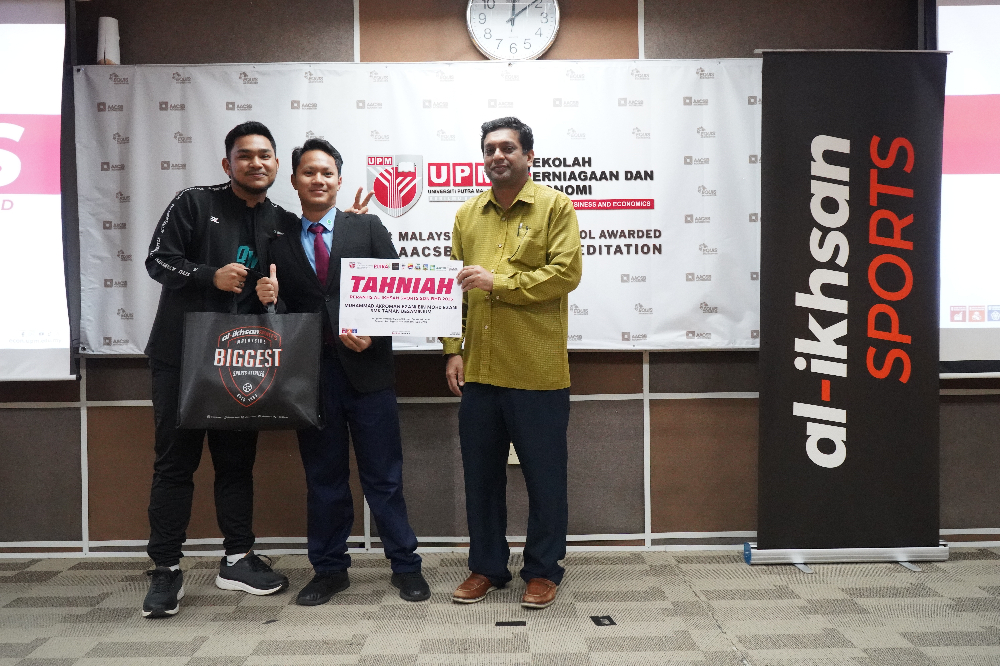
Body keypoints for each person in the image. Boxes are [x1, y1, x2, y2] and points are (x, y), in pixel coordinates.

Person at [264, 138, 429, 605]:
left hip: (368, 374)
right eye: (308, 172)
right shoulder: (276, 238)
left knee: (384, 478)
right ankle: (329, 570)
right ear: (294, 180)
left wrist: (373, 332)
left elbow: (399, 292)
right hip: (311, 379)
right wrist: (269, 300)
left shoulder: (367, 227)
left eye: (327, 172)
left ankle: (406, 566)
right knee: (324, 480)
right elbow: (283, 311)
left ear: (339, 181)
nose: (318, 179)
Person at [141, 121, 290, 618]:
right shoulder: (193, 202)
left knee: (236, 464)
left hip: (239, 361)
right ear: (228, 164)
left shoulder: (281, 221)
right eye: (245, 155)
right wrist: (210, 275)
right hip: (180, 358)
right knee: (174, 465)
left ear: (276, 164)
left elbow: (292, 286)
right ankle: (165, 569)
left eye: (265, 155)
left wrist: (273, 294)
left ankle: (238, 559)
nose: (256, 163)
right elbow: (158, 261)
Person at [443, 117, 583, 609]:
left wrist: (497, 283)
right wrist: (452, 349)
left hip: (536, 370)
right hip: (479, 371)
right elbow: (450, 289)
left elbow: (566, 273)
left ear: (528, 156)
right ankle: (487, 567)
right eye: (490, 149)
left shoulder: (555, 206)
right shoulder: (467, 214)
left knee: (545, 478)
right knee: (481, 479)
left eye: (508, 147)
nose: (497, 155)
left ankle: (543, 571)